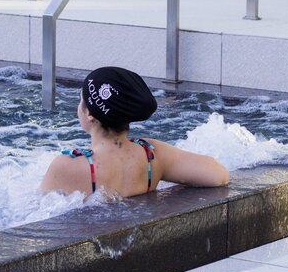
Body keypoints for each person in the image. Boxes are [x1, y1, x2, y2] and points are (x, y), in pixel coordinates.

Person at [41, 67, 230, 197]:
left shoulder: (66, 166)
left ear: (90, 114)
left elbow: (36, 218)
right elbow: (218, 174)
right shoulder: (152, 155)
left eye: (81, 100)